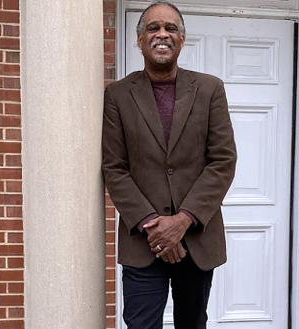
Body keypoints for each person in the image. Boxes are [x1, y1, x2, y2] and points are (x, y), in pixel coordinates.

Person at [101, 1, 237, 328]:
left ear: (182, 39)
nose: (162, 34)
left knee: (192, 323)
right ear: (139, 40)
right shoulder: (118, 94)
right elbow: (114, 167)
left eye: (170, 28)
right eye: (153, 28)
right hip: (143, 243)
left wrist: (183, 221)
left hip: (197, 240)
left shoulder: (209, 89)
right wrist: (155, 225)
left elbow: (222, 160)